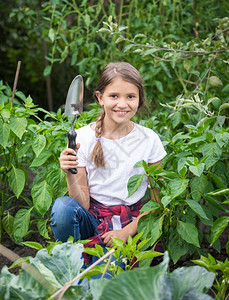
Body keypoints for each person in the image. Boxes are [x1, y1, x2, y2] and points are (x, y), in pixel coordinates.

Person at [51, 62, 167, 269]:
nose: (122, 104)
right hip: (94, 219)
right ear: (100, 97)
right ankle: (71, 262)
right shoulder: (83, 138)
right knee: (62, 208)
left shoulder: (149, 140)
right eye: (114, 96)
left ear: (139, 100)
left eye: (130, 96)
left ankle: (89, 267)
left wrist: (127, 232)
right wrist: (70, 173)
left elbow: (157, 203)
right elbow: (82, 205)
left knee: (105, 281)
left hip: (131, 222)